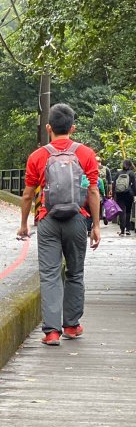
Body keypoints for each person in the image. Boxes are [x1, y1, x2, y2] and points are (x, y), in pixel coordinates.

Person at [18, 103, 100, 346]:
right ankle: (72, 326)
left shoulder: (38, 156)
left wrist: (24, 224)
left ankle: (51, 332)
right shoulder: (86, 154)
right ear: (72, 128)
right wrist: (95, 225)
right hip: (77, 219)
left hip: (48, 220)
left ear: (48, 127)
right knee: (75, 273)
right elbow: (93, 191)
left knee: (51, 274)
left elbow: (27, 194)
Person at [112, 158, 136, 236]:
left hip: (119, 194)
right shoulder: (131, 173)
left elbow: (114, 185)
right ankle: (128, 230)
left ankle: (122, 231)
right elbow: (134, 185)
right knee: (128, 211)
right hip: (129, 194)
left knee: (122, 212)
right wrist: (134, 194)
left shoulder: (118, 173)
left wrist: (113, 195)